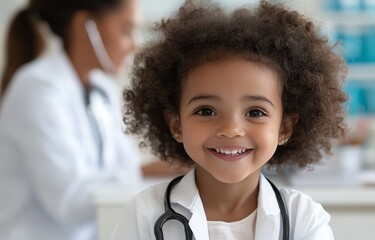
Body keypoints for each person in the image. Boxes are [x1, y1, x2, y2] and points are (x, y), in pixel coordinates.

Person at [110, 1, 348, 239]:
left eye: (255, 112)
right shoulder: (143, 216)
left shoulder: (304, 219)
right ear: (176, 124)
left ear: (284, 127)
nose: (231, 129)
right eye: (206, 111)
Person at [0, 0, 186, 240]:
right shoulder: (38, 88)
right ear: (85, 25)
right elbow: (70, 202)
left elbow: (125, 164)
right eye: (126, 30)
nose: (134, 45)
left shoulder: (102, 90)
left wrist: (166, 169)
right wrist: (150, 170)